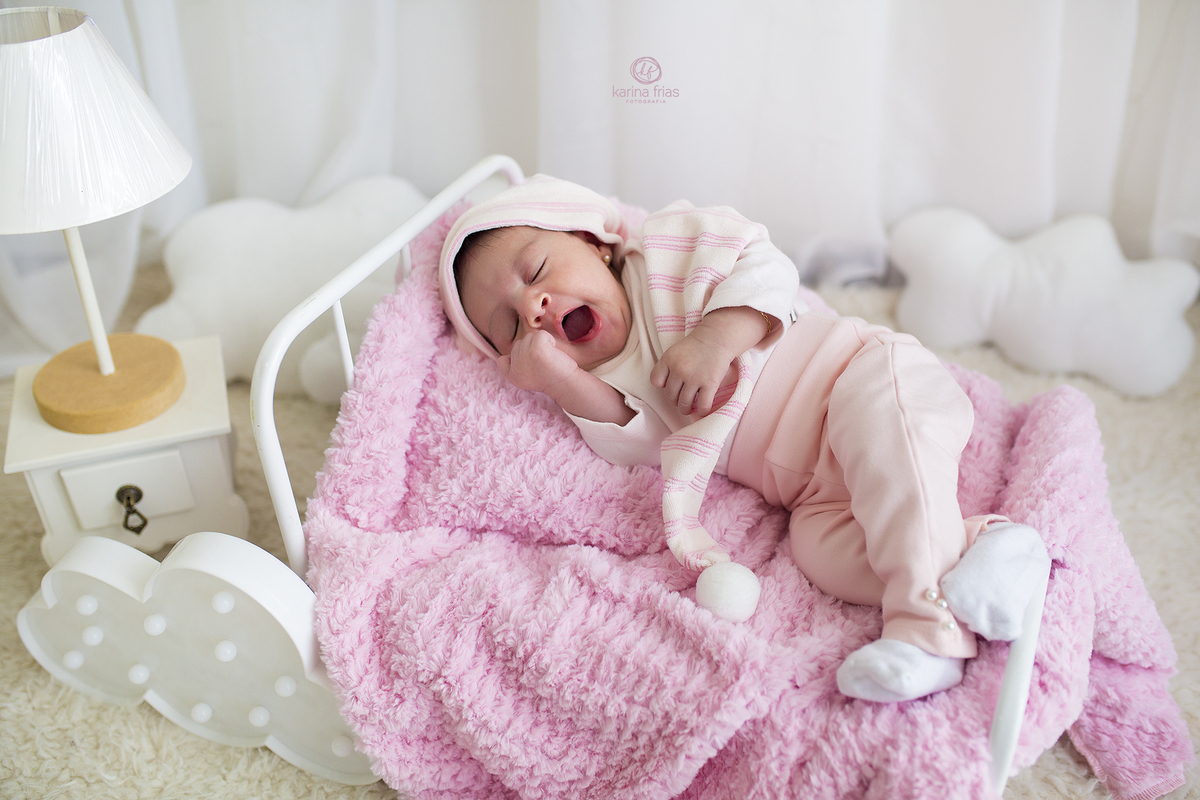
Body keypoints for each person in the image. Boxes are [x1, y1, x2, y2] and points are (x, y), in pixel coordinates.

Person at [437, 175, 1048, 703]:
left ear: (594, 244)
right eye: (510, 325)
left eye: (537, 271)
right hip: (809, 492)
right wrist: (562, 381)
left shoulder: (666, 253)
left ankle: (927, 633)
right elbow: (640, 443)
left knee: (891, 462)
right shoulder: (597, 383)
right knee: (824, 556)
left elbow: (763, 266)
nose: (535, 307)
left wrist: (715, 339)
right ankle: (987, 549)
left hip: (856, 377)